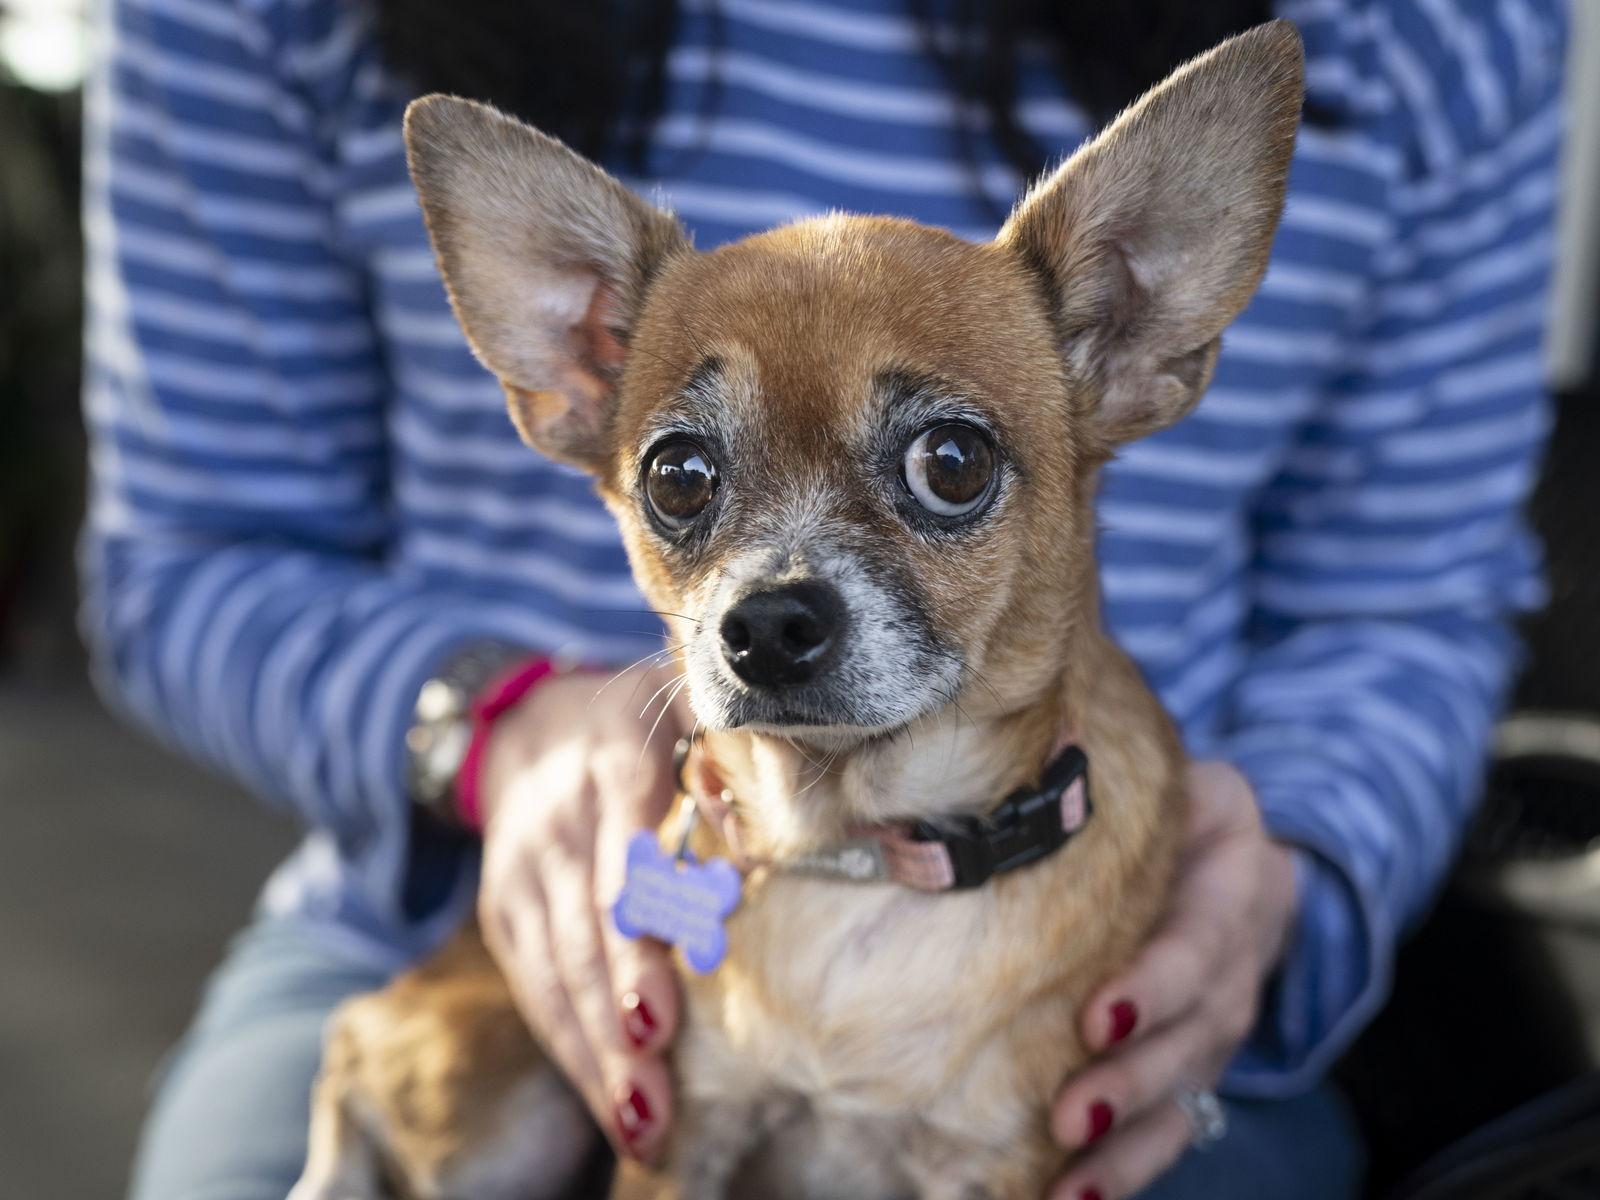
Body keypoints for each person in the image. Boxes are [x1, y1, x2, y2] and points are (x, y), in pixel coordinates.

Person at [83, 1, 1566, 1197]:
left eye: (943, 462)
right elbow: (181, 553)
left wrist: (1290, 873)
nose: (776, 596)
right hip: (464, 911)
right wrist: (482, 726)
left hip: (1153, 948)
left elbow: (1407, 601)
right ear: (576, 372)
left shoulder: (1442, 30)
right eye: (686, 481)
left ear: (1130, 343)